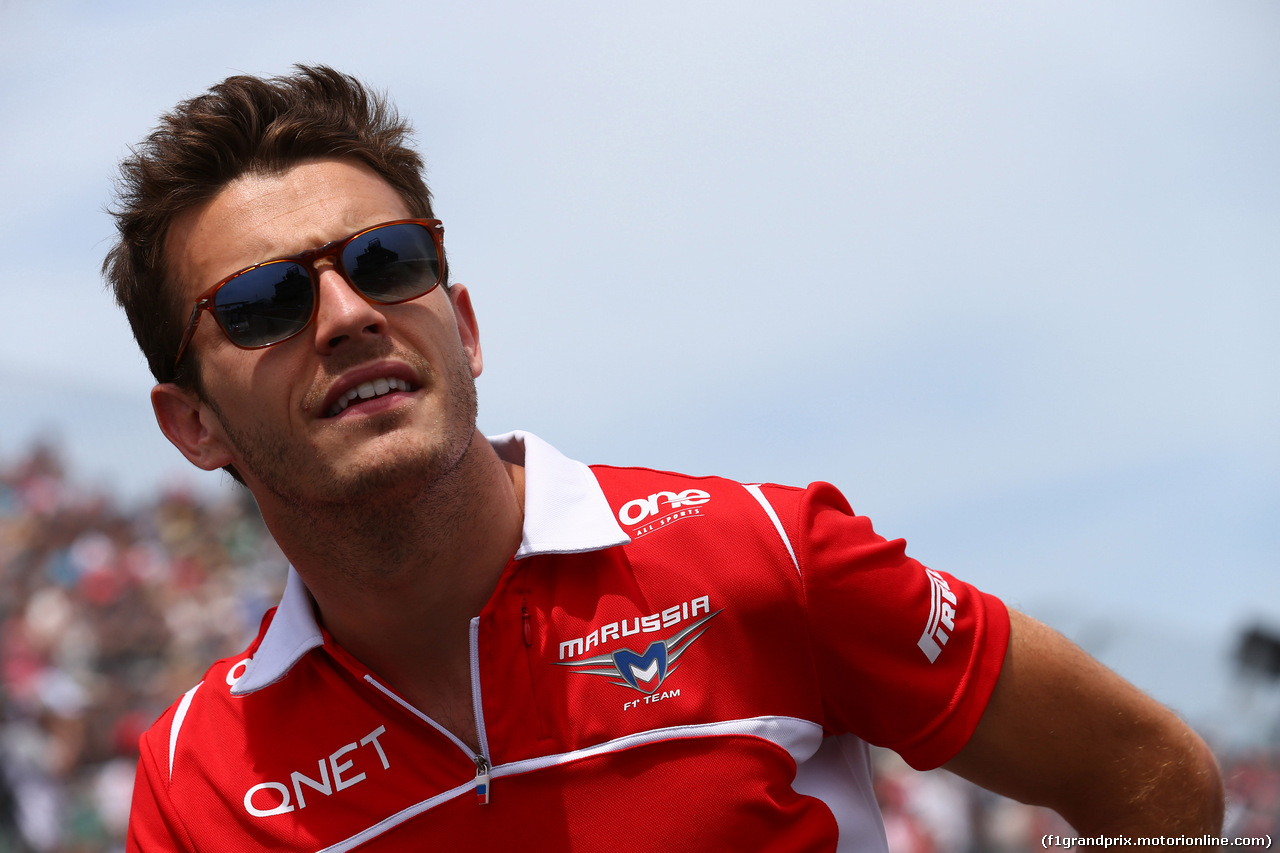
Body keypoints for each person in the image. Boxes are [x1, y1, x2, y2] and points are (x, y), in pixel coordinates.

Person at [105, 66, 1223, 851]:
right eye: (262, 302)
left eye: (388, 260)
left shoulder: (764, 554)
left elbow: (1152, 781)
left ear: (468, 328)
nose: (347, 313)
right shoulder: (198, 777)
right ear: (190, 423)